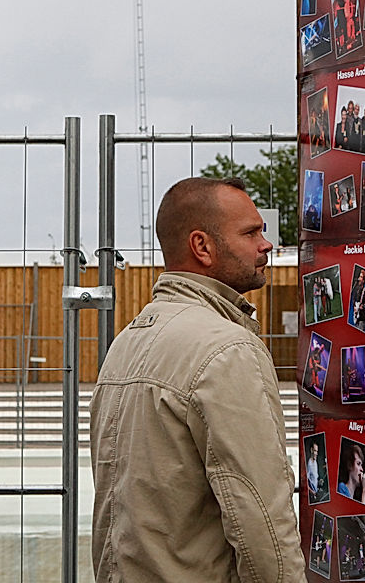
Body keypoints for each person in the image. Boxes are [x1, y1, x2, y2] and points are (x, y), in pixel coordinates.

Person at [90, 177, 305, 582]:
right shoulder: (227, 349)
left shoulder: (127, 342)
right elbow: (262, 523)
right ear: (202, 246)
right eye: (250, 233)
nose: (266, 244)